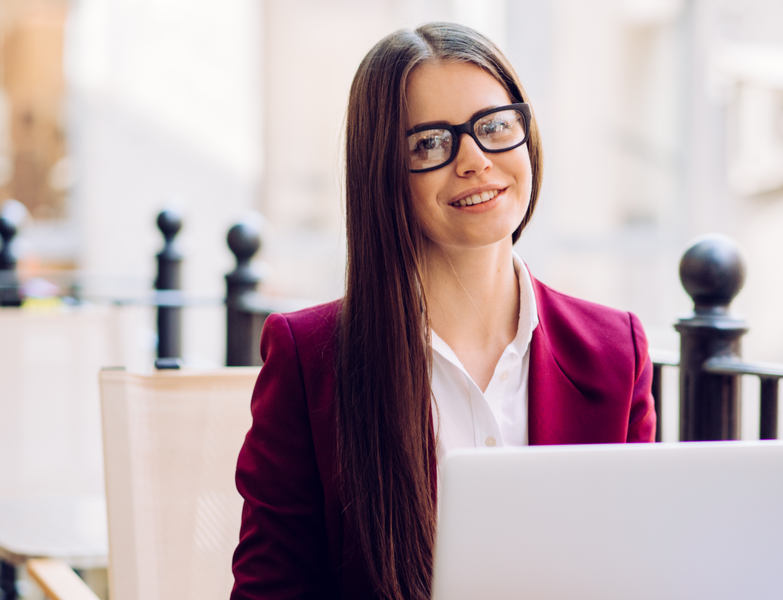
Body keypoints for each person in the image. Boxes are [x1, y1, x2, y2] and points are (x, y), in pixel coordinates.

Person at [231, 22, 656, 600]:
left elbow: (640, 570)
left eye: (495, 126)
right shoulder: (311, 360)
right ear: (382, 172)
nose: (475, 159)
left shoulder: (615, 352)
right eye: (430, 143)